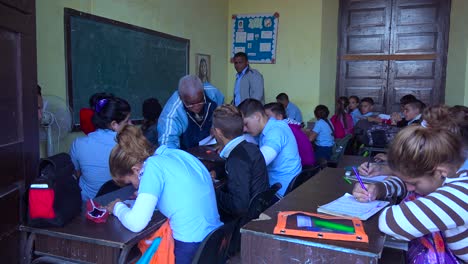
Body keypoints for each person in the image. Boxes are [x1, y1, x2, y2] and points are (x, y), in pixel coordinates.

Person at [106, 125, 222, 263]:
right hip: (215, 240)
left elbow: (136, 223)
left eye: (130, 182)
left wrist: (117, 207)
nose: (134, 186)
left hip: (191, 247)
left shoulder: (152, 167)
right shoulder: (175, 154)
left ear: (136, 170)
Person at [353, 126, 468, 262]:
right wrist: (378, 188)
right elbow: (407, 182)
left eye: (414, 183)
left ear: (440, 172)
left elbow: (391, 223)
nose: (409, 188)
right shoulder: (455, 173)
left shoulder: (461, 194)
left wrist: (366, 209)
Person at [211, 104, 269, 222]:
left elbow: (239, 206)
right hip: (260, 208)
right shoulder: (250, 148)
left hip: (245, 222)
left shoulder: (236, 159)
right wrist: (217, 172)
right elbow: (242, 169)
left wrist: (212, 190)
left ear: (218, 132)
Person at [70, 96, 132, 201]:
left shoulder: (78, 143)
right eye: (127, 121)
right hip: (119, 202)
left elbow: (75, 173)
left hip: (87, 204)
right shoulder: (129, 144)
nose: (130, 124)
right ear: (114, 124)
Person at [238, 99, 301, 198]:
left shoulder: (275, 131)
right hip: (283, 186)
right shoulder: (269, 128)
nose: (244, 129)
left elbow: (258, 163)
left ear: (257, 116)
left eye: (246, 124)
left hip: (281, 193)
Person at [157, 75, 224, 149]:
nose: (196, 107)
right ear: (181, 98)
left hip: (209, 147)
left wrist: (215, 126)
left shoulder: (213, 93)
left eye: (200, 101)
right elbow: (167, 146)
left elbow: (222, 113)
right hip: (185, 151)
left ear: (203, 93)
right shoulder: (172, 114)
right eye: (191, 104)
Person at [264, 102, 315, 167]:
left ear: (279, 117)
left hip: (304, 166)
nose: (264, 120)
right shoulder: (289, 123)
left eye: (267, 116)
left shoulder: (282, 130)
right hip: (308, 162)